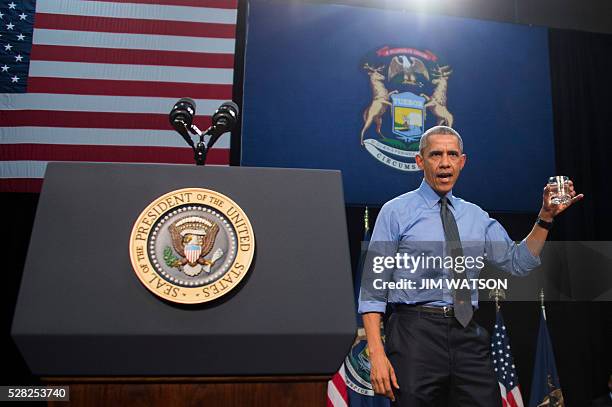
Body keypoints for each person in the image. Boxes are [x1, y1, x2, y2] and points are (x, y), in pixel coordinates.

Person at [358, 126, 583, 406]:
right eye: (435, 154)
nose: (444, 162)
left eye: (452, 155)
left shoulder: (476, 216)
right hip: (414, 335)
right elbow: (372, 289)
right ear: (420, 161)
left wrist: (545, 218)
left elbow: (519, 261)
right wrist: (377, 353)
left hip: (468, 334)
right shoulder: (395, 212)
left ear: (462, 162)